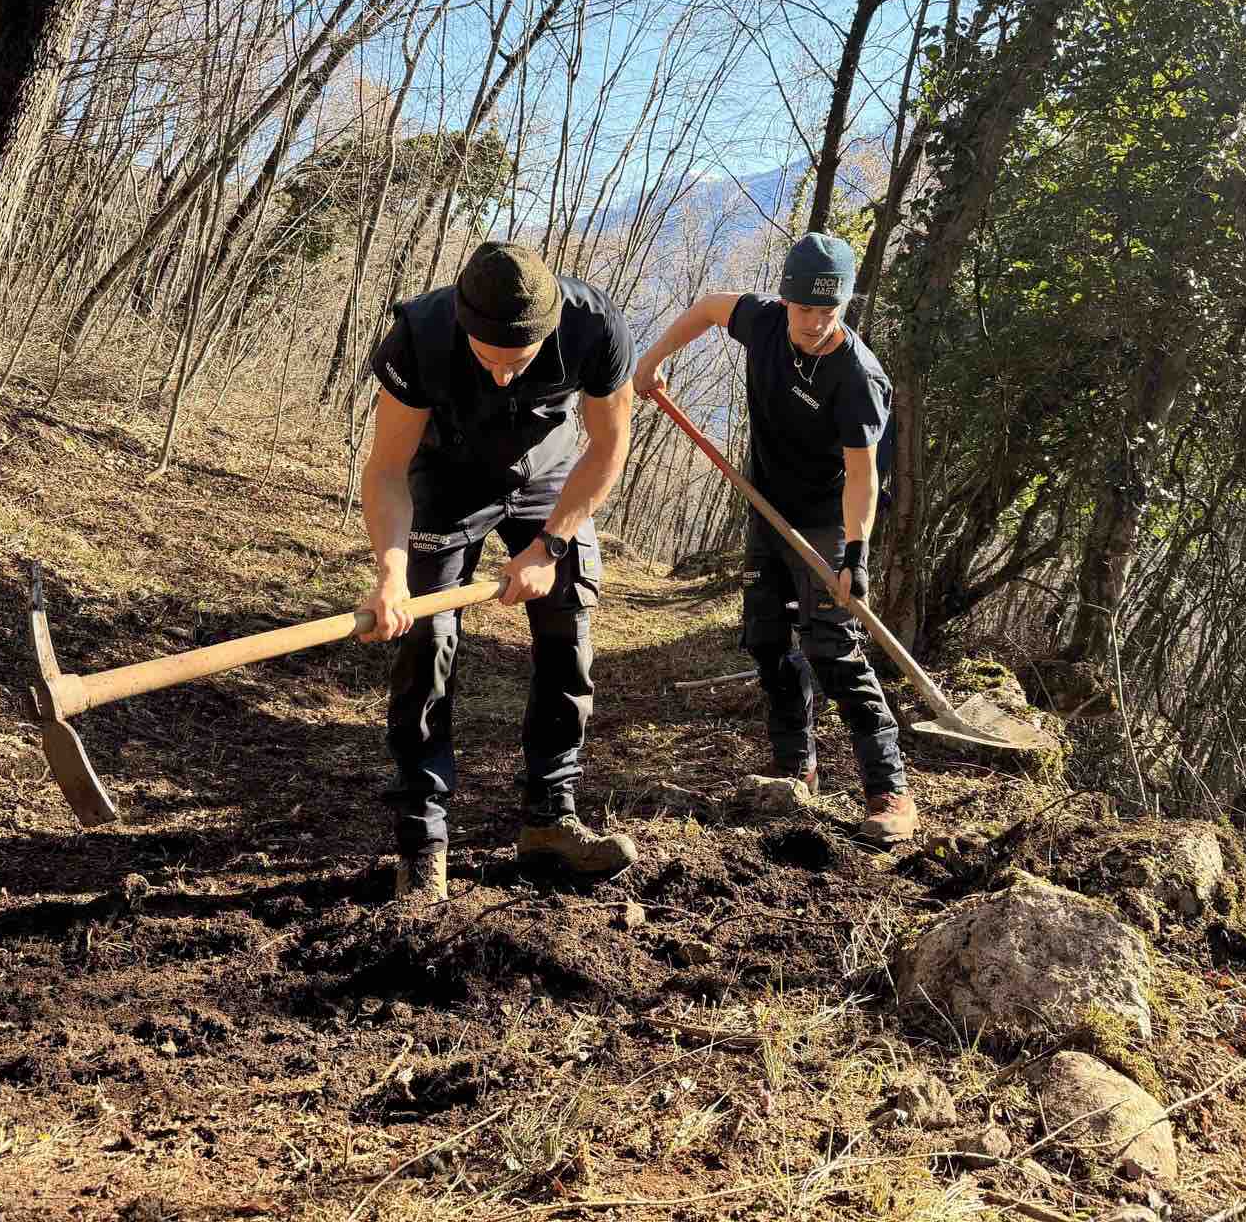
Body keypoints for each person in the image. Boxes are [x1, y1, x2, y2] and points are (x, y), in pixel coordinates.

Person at [357, 240, 640, 901]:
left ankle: (550, 817)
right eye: (489, 360)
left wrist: (552, 546)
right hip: (446, 480)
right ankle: (422, 842)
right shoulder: (419, 335)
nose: (505, 376)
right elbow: (387, 471)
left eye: (521, 361)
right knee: (427, 641)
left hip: (550, 480)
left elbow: (608, 447)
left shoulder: (596, 327)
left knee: (570, 630)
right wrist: (392, 572)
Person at [633, 232, 918, 845]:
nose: (815, 323)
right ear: (784, 300)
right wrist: (653, 361)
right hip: (767, 505)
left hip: (828, 517)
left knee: (831, 650)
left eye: (829, 311)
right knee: (766, 639)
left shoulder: (857, 375)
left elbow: (864, 476)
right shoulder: (762, 322)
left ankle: (887, 788)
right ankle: (795, 764)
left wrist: (856, 555)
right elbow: (709, 306)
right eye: (804, 309)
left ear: (843, 306)